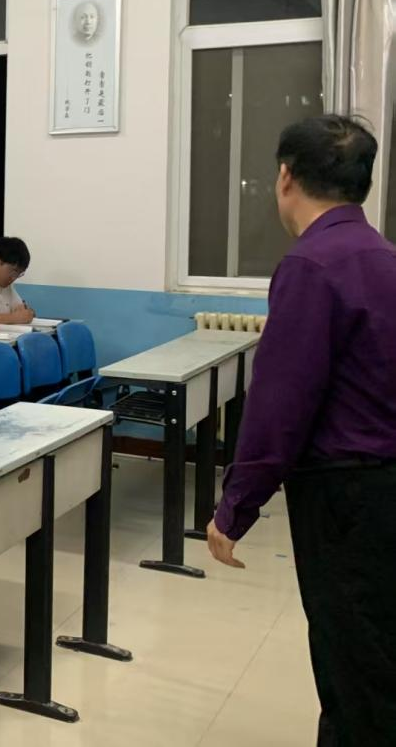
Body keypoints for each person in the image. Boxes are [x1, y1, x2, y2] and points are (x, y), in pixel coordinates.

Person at [207, 115, 396, 745]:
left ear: (285, 177)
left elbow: (280, 404)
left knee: (352, 669)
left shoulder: (312, 265)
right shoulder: (384, 257)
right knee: (377, 653)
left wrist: (235, 507)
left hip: (345, 497)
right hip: (383, 491)